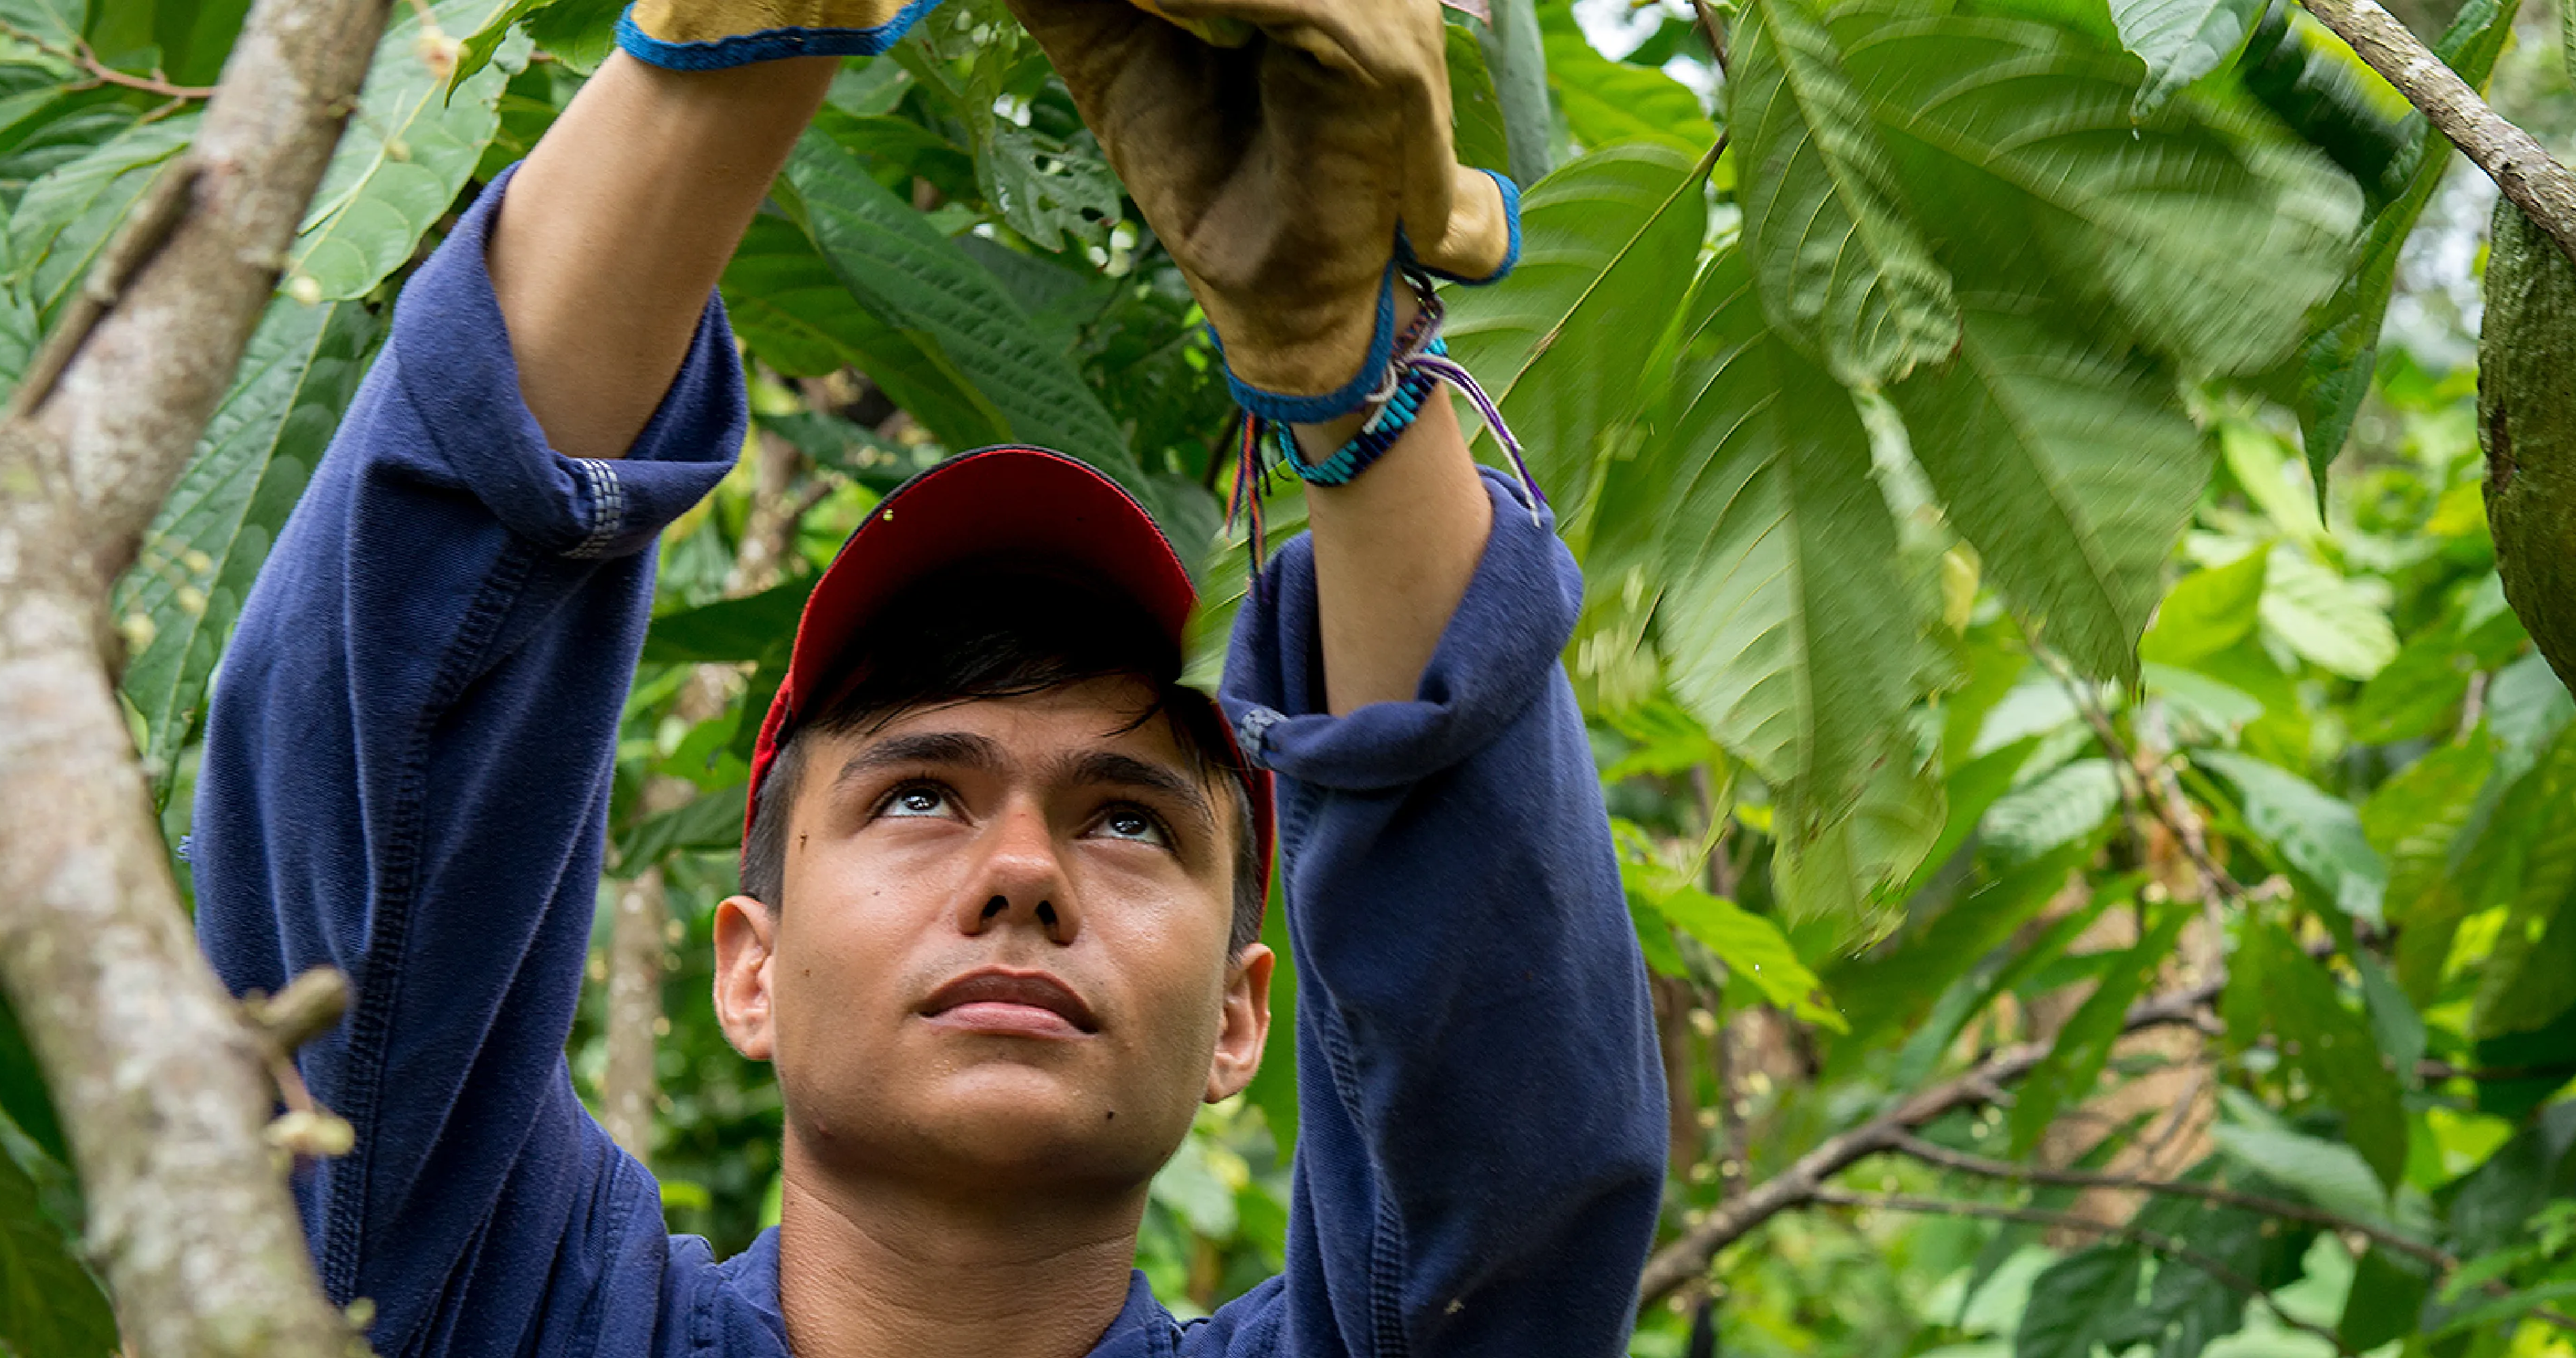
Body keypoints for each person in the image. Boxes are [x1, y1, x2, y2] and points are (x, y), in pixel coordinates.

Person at [186, 0, 1669, 1351]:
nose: (1023, 871)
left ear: (1237, 1017)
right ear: (749, 968)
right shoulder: (509, 1317)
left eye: (1130, 819)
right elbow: (365, 775)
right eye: (917, 795)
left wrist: (1348, 366)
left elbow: (1514, 1137)